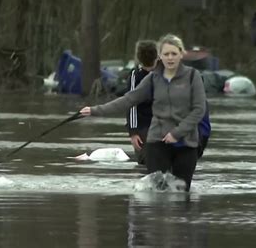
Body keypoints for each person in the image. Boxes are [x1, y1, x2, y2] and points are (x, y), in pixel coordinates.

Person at [80, 34, 207, 192]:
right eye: (166, 54)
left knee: (181, 193)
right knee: (159, 192)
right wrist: (95, 110)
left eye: (174, 53)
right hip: (157, 143)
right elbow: (129, 100)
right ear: (160, 56)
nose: (170, 58)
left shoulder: (193, 77)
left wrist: (177, 133)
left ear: (181, 54)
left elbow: (199, 110)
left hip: (186, 143)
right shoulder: (153, 78)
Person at [125, 40, 158, 165]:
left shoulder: (164, 71)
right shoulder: (135, 75)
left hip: (163, 123)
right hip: (143, 125)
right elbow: (131, 103)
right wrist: (133, 131)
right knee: (145, 162)